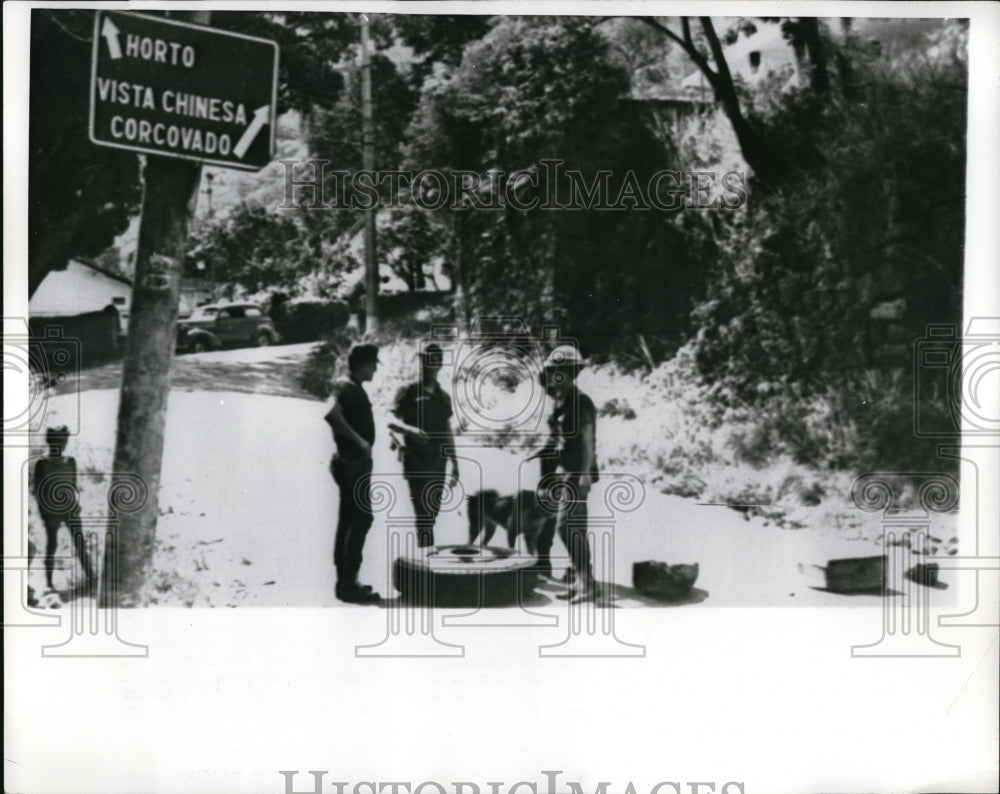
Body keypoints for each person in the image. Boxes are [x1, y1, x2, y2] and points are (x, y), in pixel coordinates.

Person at [533, 345, 601, 601]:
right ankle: (584, 582)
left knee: (565, 528)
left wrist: (584, 473)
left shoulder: (581, 401)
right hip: (563, 471)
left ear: (569, 373)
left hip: (576, 471)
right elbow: (557, 438)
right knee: (577, 528)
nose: (552, 376)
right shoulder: (562, 400)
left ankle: (588, 585)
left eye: (557, 371)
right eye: (552, 372)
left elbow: (588, 440)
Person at [325, 344, 381, 604]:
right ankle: (348, 584)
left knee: (351, 520)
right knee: (359, 519)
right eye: (372, 363)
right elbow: (330, 413)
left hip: (355, 465)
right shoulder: (346, 386)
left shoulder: (352, 387)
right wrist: (359, 441)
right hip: (351, 464)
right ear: (360, 364)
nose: (375, 368)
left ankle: (347, 582)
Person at [390, 343, 459, 548]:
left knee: (432, 511)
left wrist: (455, 464)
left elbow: (447, 431)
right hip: (416, 460)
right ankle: (426, 557)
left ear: (439, 365)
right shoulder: (407, 391)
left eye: (434, 361)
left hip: (439, 461)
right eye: (425, 361)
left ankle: (425, 552)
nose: (429, 366)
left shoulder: (443, 396)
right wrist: (405, 434)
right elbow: (390, 422)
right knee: (423, 513)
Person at [33, 426, 95, 596]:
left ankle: (93, 581)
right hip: (51, 511)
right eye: (57, 441)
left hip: (70, 508)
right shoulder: (42, 464)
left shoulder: (71, 461)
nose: (61, 445)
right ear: (50, 442)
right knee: (52, 545)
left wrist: (77, 504)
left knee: (80, 543)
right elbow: (38, 490)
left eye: (63, 441)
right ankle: (49, 584)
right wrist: (44, 512)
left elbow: (73, 486)